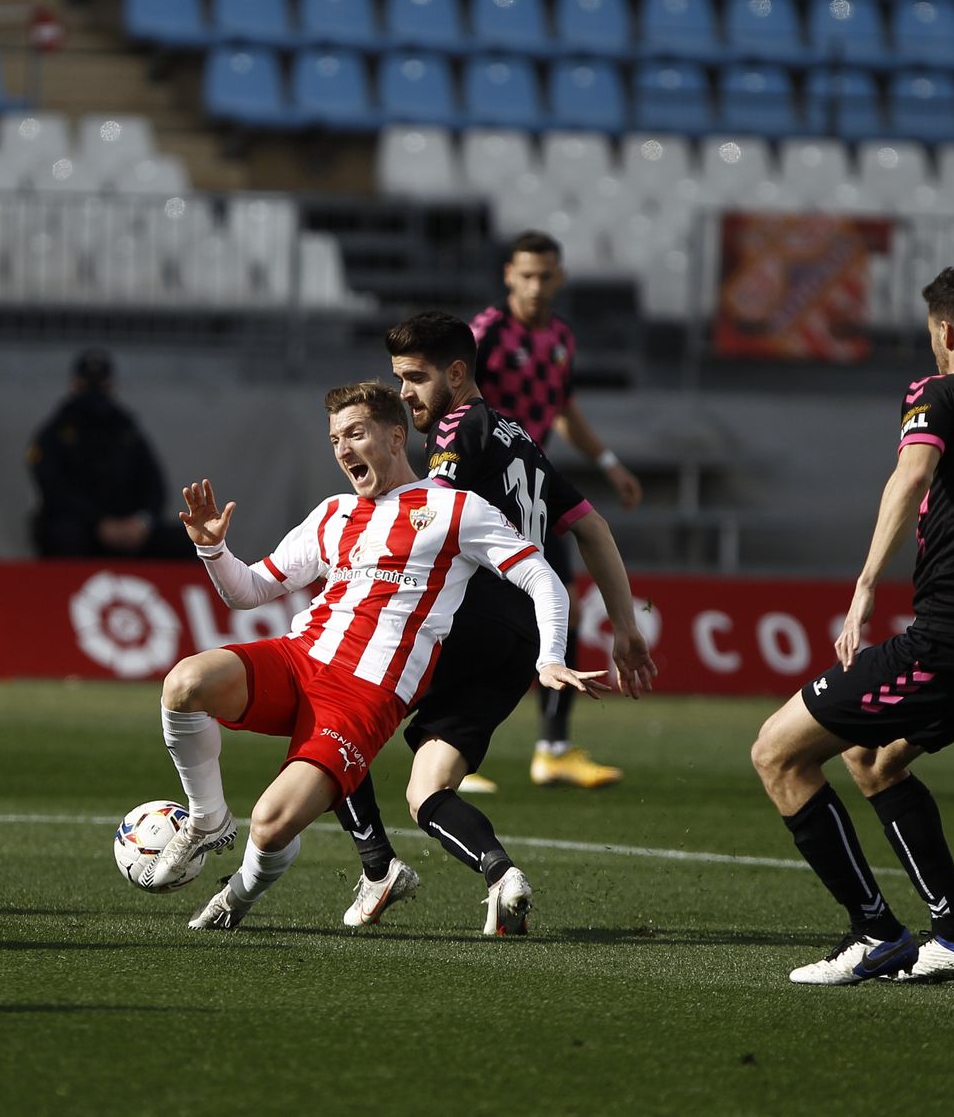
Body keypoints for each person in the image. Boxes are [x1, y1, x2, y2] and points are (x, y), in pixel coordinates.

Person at [140, 381, 609, 933]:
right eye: (335, 438)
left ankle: (238, 896)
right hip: (298, 657)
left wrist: (548, 656)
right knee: (184, 683)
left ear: (395, 436)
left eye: (355, 434)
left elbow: (541, 575)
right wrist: (212, 548)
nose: (342, 449)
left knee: (269, 826)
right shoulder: (333, 513)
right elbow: (247, 591)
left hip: (364, 694)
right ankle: (207, 821)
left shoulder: (454, 509)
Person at [750, 263, 954, 985]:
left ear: (947, 333)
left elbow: (913, 474)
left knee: (777, 753)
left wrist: (863, 586)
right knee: (875, 757)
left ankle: (875, 931)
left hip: (952, 635)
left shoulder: (938, 393)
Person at [329, 312, 658, 933]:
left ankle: (376, 866)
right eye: (400, 379)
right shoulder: (521, 438)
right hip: (519, 637)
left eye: (415, 378)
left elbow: (430, 517)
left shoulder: (456, 430)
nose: (404, 394)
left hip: (463, 620)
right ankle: (503, 878)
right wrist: (626, 629)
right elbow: (592, 527)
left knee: (334, 718)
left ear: (456, 374)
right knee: (429, 790)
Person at [468, 230, 645, 790]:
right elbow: (460, 402)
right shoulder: (485, 334)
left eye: (546, 275)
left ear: (560, 277)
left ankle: (553, 748)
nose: (537, 285)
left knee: (560, 602)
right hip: (484, 489)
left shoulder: (562, 336)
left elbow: (563, 407)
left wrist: (610, 461)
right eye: (527, 275)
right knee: (465, 610)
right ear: (508, 276)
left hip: (535, 487)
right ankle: (448, 738)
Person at [27, 349, 192, 560]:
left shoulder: (127, 431)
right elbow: (53, 491)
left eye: (101, 384)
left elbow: (155, 486)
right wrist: (98, 523)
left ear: (112, 386)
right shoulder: (56, 434)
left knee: (185, 540)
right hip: (83, 527)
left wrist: (142, 521)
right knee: (64, 535)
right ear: (75, 385)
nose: (95, 392)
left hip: (129, 526)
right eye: (88, 384)